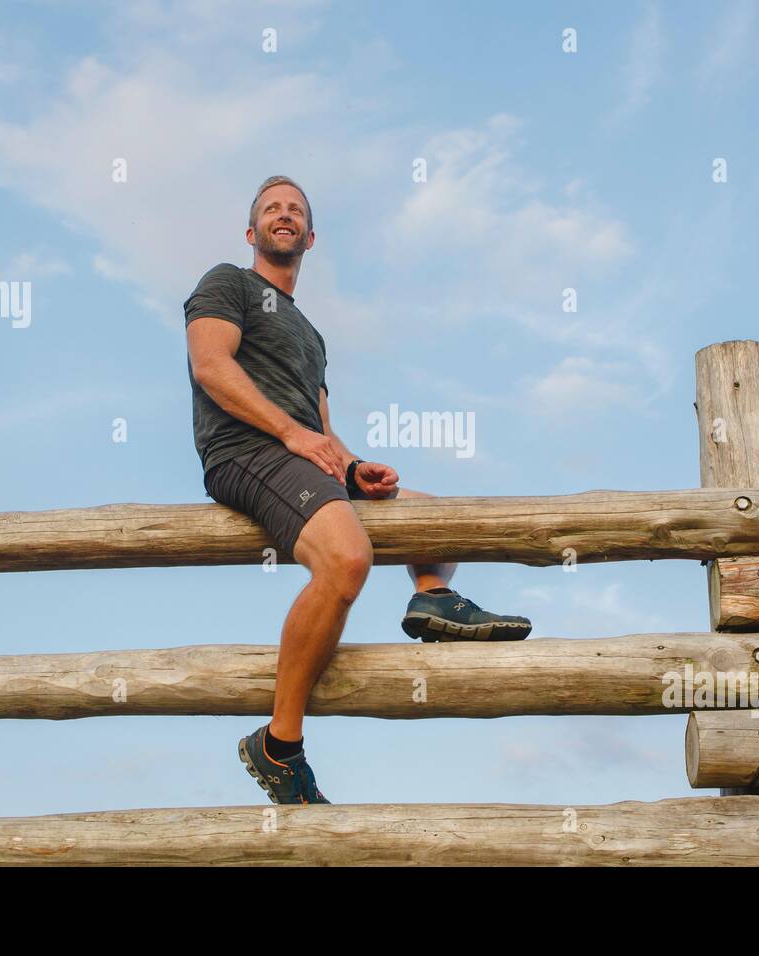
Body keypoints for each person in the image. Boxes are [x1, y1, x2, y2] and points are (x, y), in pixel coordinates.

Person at [183, 175, 532, 805]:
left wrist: (351, 470)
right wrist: (291, 435)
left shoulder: (311, 335)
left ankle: (433, 596)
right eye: (271, 208)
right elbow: (212, 366)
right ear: (252, 232)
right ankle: (279, 743)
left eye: (294, 210)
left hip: (299, 457)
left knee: (436, 519)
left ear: (310, 237)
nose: (282, 214)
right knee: (347, 558)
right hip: (244, 451)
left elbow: (322, 429)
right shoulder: (226, 282)